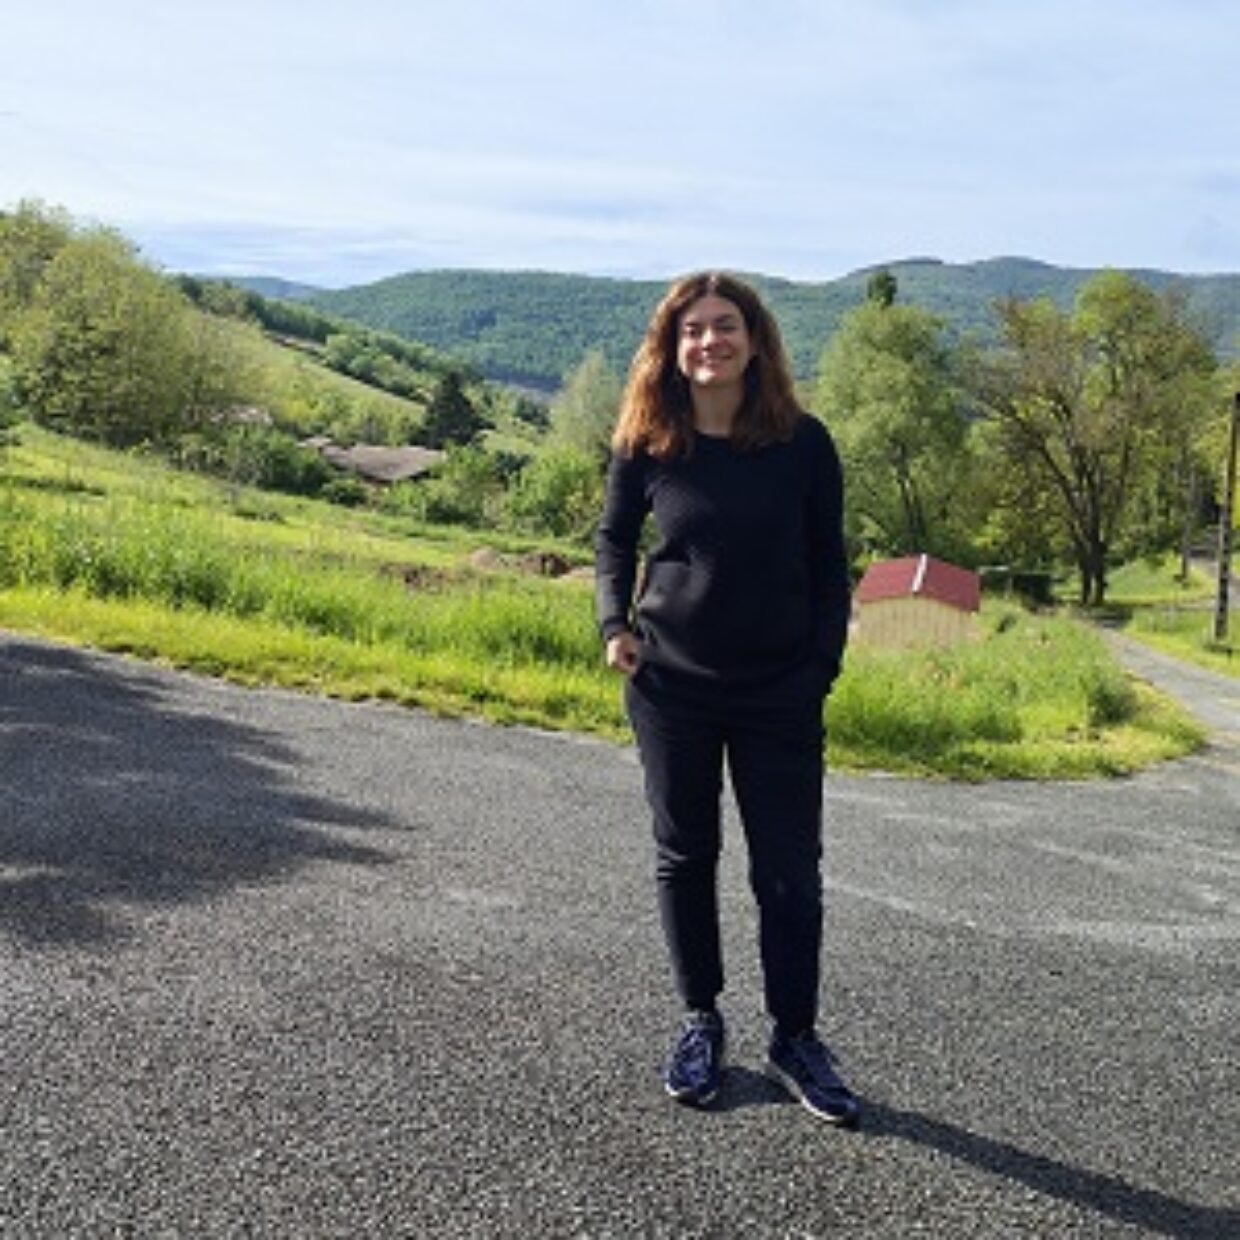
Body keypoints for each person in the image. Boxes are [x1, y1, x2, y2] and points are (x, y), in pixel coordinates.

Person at [594, 271, 859, 1126]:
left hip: (780, 692)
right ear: (672, 348)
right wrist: (613, 622)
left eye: (726, 325)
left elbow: (830, 567)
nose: (710, 340)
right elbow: (613, 539)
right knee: (686, 855)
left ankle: (796, 1038)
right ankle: (701, 1020)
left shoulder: (803, 443)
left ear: (754, 340)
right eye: (693, 329)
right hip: (671, 686)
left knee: (789, 872)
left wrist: (820, 667)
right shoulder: (648, 441)